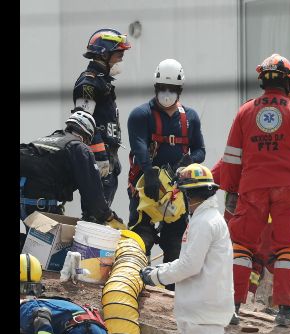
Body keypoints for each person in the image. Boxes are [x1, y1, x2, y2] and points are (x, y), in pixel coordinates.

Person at [216, 53, 290, 326]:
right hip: (289, 190)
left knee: (243, 245)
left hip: (252, 188)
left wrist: (231, 190)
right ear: (289, 83)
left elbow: (232, 157)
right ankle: (286, 311)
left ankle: (231, 308)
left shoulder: (245, 112)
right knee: (287, 247)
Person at [139, 164, 234, 334]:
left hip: (204, 310)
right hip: (198, 309)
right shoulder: (206, 219)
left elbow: (190, 265)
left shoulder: (204, 222)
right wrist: (159, 269)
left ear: (187, 194)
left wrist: (156, 275)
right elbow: (188, 260)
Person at [127, 59, 206, 291]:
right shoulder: (141, 115)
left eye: (172, 89)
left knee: (174, 245)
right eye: (162, 88)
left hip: (176, 193)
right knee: (141, 239)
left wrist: (190, 160)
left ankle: (171, 295)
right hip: (147, 188)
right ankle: (134, 285)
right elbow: (139, 144)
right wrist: (148, 170)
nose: (167, 93)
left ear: (180, 90)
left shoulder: (190, 118)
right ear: (155, 88)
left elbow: (200, 149)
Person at [19, 111, 123, 226]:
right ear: (87, 135)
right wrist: (108, 216)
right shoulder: (79, 148)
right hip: (40, 209)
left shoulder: (44, 141)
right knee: (59, 243)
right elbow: (92, 192)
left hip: (25, 202)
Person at [73, 28, 132, 206]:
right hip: (98, 160)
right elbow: (82, 124)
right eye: (118, 55)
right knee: (95, 218)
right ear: (104, 55)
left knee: (102, 217)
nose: (121, 59)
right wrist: (100, 157)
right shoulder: (89, 83)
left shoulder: (102, 82)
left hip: (108, 157)